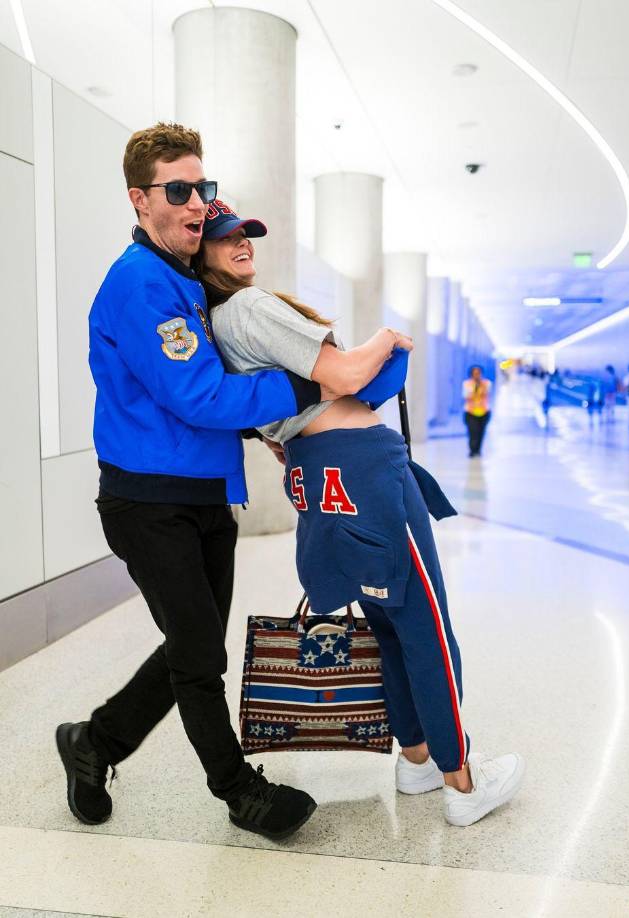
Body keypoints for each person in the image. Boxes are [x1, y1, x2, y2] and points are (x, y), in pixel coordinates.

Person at [197, 204, 526, 828]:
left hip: (316, 474)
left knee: (389, 623)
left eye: (244, 234)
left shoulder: (211, 329)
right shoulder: (249, 307)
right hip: (363, 469)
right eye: (223, 238)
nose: (240, 244)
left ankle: (419, 759)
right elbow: (346, 373)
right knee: (427, 625)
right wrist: (387, 340)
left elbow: (267, 421)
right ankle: (463, 781)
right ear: (201, 252)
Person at [56, 123, 341, 842]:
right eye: (178, 190)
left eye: (202, 188)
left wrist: (265, 430)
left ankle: (94, 742)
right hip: (148, 502)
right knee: (198, 653)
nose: (195, 204)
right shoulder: (140, 283)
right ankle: (239, 791)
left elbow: (209, 395)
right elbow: (198, 397)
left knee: (195, 645)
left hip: (204, 495)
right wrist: (305, 386)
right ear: (140, 198)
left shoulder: (186, 280)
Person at [462, 366, 492, 457]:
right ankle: (472, 450)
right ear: (471, 374)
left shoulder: (487, 383)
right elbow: (466, 396)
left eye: (478, 373)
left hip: (484, 411)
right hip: (470, 412)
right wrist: (474, 388)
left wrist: (480, 386)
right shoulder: (467, 384)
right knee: (472, 431)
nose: (476, 375)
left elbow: (487, 393)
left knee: (481, 432)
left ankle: (478, 450)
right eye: (474, 373)